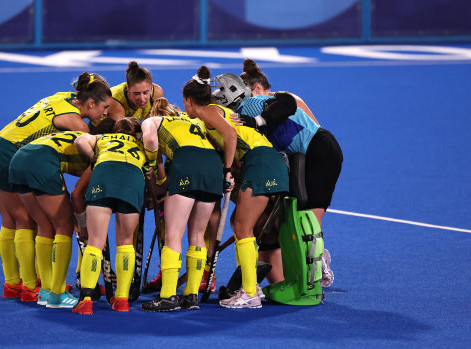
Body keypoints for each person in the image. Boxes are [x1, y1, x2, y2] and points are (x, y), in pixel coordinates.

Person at [0, 72, 112, 301]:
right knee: (26, 221)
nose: (105, 112)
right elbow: (82, 163)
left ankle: (16, 283)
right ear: (91, 103)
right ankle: (31, 287)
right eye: (104, 107)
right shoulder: (79, 126)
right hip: (10, 157)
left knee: (12, 220)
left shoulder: (64, 97)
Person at [188, 66, 288, 309]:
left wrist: (227, 170)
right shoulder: (220, 111)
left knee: (243, 227)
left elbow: (231, 136)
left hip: (261, 163)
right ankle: (250, 285)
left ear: (189, 101)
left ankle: (250, 292)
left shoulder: (208, 111)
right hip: (267, 162)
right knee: (241, 224)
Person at [235, 88, 343, 288]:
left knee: (309, 218)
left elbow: (288, 104)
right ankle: (307, 272)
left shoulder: (250, 106)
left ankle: (316, 273)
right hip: (304, 157)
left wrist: (258, 121)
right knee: (292, 219)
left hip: (318, 152)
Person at [139, 97, 231, 312]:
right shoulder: (195, 120)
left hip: (187, 163)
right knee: (198, 235)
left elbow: (151, 140)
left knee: (173, 234)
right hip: (213, 166)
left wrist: (151, 161)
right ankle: (191, 297)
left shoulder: (153, 121)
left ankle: (168, 296)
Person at [8, 130, 91, 308]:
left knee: (44, 225)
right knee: (64, 225)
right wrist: (82, 222)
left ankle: (46, 290)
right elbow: (78, 193)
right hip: (41, 161)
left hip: (18, 161)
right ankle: (57, 294)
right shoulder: (104, 152)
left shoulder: (82, 137)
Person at [72, 117, 147, 314]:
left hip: (104, 176)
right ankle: (122, 299)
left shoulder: (104, 137)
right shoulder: (142, 144)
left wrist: (94, 158)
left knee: (95, 241)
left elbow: (79, 141)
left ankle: (86, 300)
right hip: (132, 181)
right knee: (125, 242)